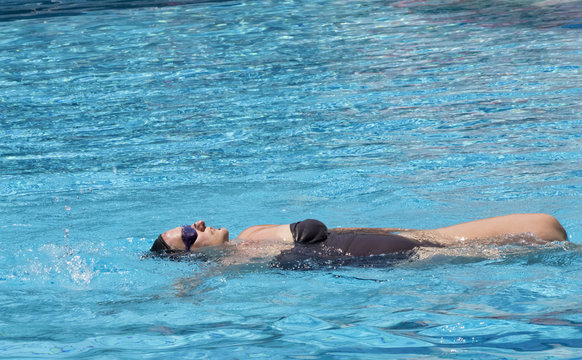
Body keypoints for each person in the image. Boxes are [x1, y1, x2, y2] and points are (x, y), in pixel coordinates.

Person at [150, 213, 568, 264]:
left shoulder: (251, 234)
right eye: (189, 234)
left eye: (193, 222)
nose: (199, 225)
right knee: (550, 237)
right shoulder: (231, 266)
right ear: (191, 254)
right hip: (414, 261)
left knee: (545, 225)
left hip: (420, 237)